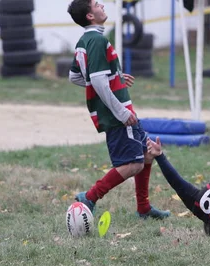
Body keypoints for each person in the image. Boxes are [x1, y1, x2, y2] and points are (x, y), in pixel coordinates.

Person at [66, 0, 169, 219]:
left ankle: (144, 208)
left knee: (147, 153)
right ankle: (90, 197)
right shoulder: (96, 40)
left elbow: (75, 76)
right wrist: (121, 112)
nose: (101, 4)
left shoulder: (85, 41)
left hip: (121, 110)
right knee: (133, 164)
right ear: (89, 16)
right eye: (95, 4)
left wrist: (116, 78)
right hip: (118, 113)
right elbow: (97, 81)